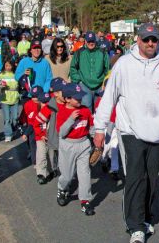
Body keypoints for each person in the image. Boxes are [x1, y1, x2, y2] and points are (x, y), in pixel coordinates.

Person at [93, 22, 159, 243]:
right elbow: (109, 97)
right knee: (135, 177)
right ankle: (135, 226)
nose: (151, 43)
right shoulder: (124, 64)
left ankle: (145, 217)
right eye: (146, 39)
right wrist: (99, 127)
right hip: (130, 130)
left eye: (154, 39)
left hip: (158, 131)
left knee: (151, 179)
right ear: (138, 40)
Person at [56, 83, 95, 216]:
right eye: (76, 98)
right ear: (67, 99)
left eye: (80, 98)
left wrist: (95, 138)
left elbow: (91, 126)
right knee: (67, 175)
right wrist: (71, 119)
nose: (80, 100)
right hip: (68, 145)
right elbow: (61, 133)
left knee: (84, 174)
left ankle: (85, 200)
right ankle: (62, 188)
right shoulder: (62, 112)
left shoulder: (85, 110)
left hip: (84, 144)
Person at [35, 77, 67, 180]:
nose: (66, 93)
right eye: (63, 91)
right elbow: (37, 122)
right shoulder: (50, 107)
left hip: (66, 138)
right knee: (48, 155)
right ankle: (46, 172)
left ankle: (63, 175)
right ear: (56, 93)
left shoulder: (69, 103)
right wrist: (41, 134)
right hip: (52, 137)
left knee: (63, 159)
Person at [70, 31, 109, 112]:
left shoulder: (102, 52)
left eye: (92, 41)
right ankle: (88, 124)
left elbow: (107, 69)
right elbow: (73, 68)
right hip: (84, 85)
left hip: (99, 85)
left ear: (95, 41)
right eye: (89, 41)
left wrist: (105, 82)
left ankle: (97, 125)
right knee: (86, 108)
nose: (91, 43)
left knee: (100, 109)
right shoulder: (79, 52)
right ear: (85, 41)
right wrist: (79, 81)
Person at [33, 90, 52, 185]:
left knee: (51, 155)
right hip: (40, 137)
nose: (45, 104)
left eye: (47, 102)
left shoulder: (51, 111)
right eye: (44, 102)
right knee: (41, 155)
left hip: (51, 137)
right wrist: (41, 135)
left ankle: (51, 170)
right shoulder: (37, 112)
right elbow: (35, 125)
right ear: (40, 102)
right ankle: (41, 174)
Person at [0, 60, 19, 142]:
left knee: (15, 118)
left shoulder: (16, 74)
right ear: (4, 66)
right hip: (5, 99)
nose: (8, 67)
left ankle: (13, 130)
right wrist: (0, 85)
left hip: (14, 98)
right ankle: (8, 134)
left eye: (10, 65)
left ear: (13, 66)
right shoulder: (1, 75)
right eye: (6, 66)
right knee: (7, 119)